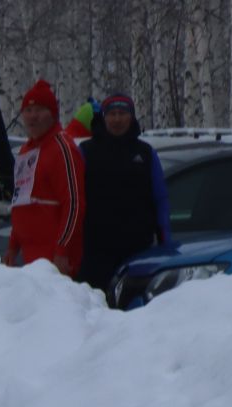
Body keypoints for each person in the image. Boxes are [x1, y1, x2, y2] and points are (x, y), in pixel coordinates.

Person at [77, 93, 172, 298]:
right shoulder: (86, 151)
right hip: (95, 250)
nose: (117, 119)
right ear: (103, 117)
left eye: (122, 113)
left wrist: (165, 238)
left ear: (131, 117)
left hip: (137, 250)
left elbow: (160, 198)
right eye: (112, 114)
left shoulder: (145, 153)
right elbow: (74, 199)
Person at [6, 79, 85, 277]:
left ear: (52, 114)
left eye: (39, 110)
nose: (33, 117)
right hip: (31, 260)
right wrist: (13, 246)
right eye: (28, 111)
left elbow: (74, 203)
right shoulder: (26, 150)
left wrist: (62, 250)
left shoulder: (62, 147)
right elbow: (21, 200)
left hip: (56, 260)